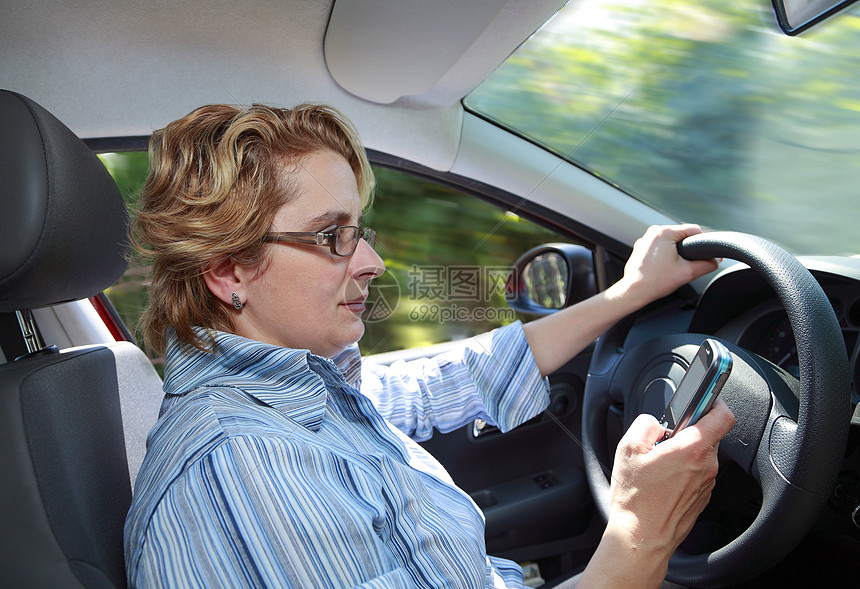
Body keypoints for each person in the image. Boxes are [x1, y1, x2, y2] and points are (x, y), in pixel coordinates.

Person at [124, 102, 735, 589]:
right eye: (331, 235)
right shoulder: (249, 469)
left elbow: (456, 376)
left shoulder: (300, 394)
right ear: (230, 271)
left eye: (358, 230)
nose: (371, 261)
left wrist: (628, 293)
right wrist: (641, 531)